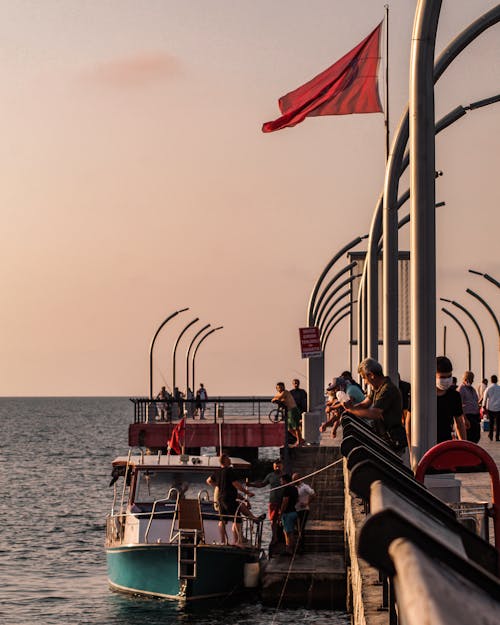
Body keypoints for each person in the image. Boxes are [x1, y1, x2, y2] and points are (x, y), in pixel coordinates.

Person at [340, 358, 408, 458]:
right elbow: (366, 403)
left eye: (364, 378)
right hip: (384, 436)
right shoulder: (376, 388)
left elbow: (375, 413)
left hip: (393, 438)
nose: (365, 382)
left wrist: (352, 410)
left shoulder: (387, 389)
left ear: (371, 375)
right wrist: (351, 406)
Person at [206, 454, 265, 545]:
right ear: (225, 460)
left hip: (221, 499)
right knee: (237, 519)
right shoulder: (229, 471)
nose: (230, 460)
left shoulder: (217, 472)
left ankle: (222, 541)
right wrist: (247, 493)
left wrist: (218, 486)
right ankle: (237, 541)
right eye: (228, 459)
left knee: (222, 520)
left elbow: (208, 480)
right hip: (229, 499)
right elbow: (236, 484)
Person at [249, 459, 283, 555]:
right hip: (273, 501)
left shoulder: (284, 476)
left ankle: (282, 537)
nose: (277, 467)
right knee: (273, 520)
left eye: (279, 466)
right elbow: (262, 484)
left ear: (282, 466)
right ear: (273, 467)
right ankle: (275, 537)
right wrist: (250, 485)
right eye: (276, 466)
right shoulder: (270, 475)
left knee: (282, 519)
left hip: (283, 500)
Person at [435, 356, 467, 443]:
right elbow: (409, 421)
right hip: (424, 445)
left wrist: (464, 446)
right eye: (442, 377)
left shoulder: (454, 396)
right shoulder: (423, 396)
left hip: (445, 443)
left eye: (449, 376)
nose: (446, 380)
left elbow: (459, 423)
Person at [272, 382, 304, 447]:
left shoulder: (285, 392)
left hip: (293, 410)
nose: (280, 388)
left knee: (295, 427)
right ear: (276, 388)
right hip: (288, 411)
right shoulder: (279, 393)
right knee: (289, 429)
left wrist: (275, 399)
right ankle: (300, 439)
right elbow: (275, 399)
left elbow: (277, 399)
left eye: (281, 387)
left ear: (284, 387)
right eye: (279, 387)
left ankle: (299, 441)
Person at [292, 472, 315, 553]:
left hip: (303, 510)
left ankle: (302, 547)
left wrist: (306, 503)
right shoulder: (293, 487)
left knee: (300, 528)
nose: (293, 481)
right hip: (295, 510)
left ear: (299, 479)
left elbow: (313, 494)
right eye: (293, 479)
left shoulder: (305, 487)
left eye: (295, 479)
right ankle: (298, 546)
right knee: (297, 529)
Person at [458, 371, 481, 443]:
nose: (472, 381)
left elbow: (476, 401)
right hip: (468, 416)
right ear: (465, 379)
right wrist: (464, 419)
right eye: (470, 379)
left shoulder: (472, 389)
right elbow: (459, 406)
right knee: (470, 438)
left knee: (476, 436)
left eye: (472, 379)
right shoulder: (461, 389)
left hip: (475, 416)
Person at [279, 473, 298, 556]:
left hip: (288, 513)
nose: (280, 483)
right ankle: (290, 549)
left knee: (287, 532)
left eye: (281, 481)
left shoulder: (286, 489)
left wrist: (280, 513)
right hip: (294, 511)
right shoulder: (295, 488)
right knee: (291, 532)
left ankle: (289, 550)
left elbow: (285, 502)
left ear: (285, 481)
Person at [484, 375, 500, 442]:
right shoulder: (499, 388)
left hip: (490, 408)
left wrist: (483, 406)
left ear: (491, 380)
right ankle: (497, 437)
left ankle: (491, 435)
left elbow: (485, 398)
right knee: (498, 423)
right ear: (497, 380)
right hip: (499, 408)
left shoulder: (488, 388)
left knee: (491, 422)